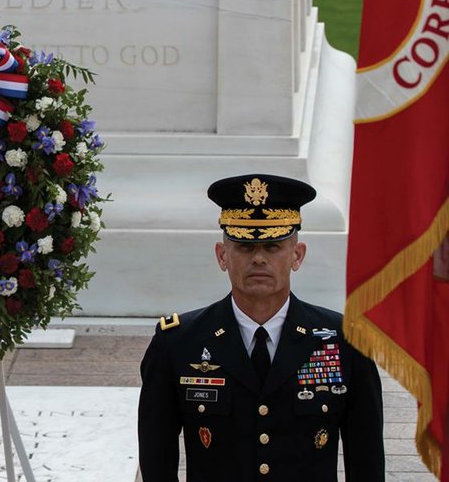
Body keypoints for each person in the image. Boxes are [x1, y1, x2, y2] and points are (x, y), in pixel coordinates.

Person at [138, 173, 385, 481]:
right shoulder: (178, 343)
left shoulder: (345, 341)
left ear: (297, 255)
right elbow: (156, 459)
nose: (258, 259)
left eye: (273, 247)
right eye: (243, 247)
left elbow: (367, 460)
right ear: (222, 255)